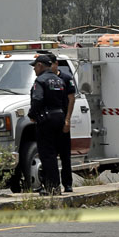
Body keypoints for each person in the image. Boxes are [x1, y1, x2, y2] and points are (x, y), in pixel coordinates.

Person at [28, 54, 68, 195]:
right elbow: (65, 102)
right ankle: (55, 186)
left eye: (35, 67)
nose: (34, 70)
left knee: (47, 155)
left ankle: (52, 188)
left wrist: (32, 115)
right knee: (55, 154)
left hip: (46, 120)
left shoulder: (40, 81)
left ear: (40, 65)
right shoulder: (59, 80)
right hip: (59, 118)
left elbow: (37, 99)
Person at [42, 51, 77, 193]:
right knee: (49, 155)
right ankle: (49, 184)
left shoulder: (65, 78)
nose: (49, 67)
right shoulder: (42, 79)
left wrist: (67, 119)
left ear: (56, 64)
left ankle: (67, 184)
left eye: (51, 64)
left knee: (65, 155)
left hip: (62, 121)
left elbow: (71, 99)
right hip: (48, 123)